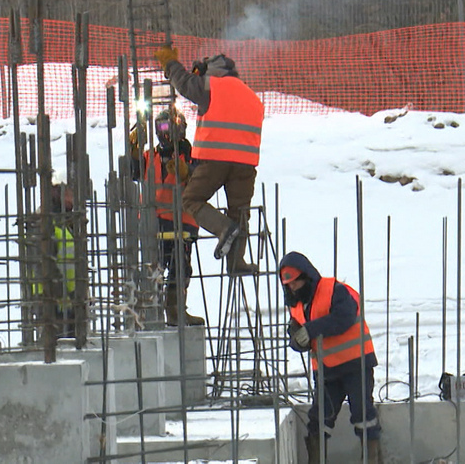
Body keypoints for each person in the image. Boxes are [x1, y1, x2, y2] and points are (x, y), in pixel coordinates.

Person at [154, 46, 263, 275]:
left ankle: (223, 228)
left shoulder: (213, 86)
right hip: (246, 164)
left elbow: (184, 84)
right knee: (240, 211)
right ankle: (237, 262)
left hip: (215, 159)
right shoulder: (252, 97)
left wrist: (170, 64)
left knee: (192, 200)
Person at [278, 251, 381, 463]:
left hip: (356, 364)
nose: (292, 288)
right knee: (319, 420)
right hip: (327, 370)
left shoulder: (334, 290)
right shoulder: (295, 304)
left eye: (295, 283)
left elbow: (345, 316)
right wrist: (298, 341)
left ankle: (372, 459)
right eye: (288, 285)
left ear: (306, 276)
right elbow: (297, 332)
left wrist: (312, 330)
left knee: (363, 415)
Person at [128, 107, 204, 326]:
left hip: (182, 222)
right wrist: (132, 148)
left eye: (169, 126)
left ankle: (175, 310)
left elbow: (201, 178)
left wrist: (187, 170)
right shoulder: (149, 156)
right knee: (154, 269)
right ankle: (150, 313)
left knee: (180, 268)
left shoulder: (190, 154)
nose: (165, 132)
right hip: (154, 223)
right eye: (161, 127)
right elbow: (133, 172)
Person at [29, 183, 78, 339]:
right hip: (50, 298)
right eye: (70, 193)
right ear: (58, 195)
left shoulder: (65, 224)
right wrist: (60, 292)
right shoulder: (44, 224)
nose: (73, 198)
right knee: (54, 345)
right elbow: (44, 264)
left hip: (68, 300)